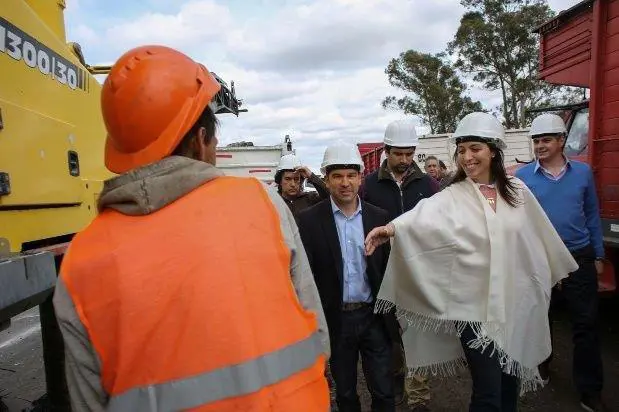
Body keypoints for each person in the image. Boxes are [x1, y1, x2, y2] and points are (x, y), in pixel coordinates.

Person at [52, 45, 330, 411]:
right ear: (201, 139)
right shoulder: (261, 205)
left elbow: (88, 402)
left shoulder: (81, 261)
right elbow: (318, 334)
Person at [365, 112, 578, 412]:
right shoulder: (453, 195)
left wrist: (552, 271)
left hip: (515, 305)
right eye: (462, 150)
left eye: (474, 148)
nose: (467, 157)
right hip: (474, 312)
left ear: (493, 150)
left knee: (509, 385)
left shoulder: (518, 192)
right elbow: (421, 216)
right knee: (488, 391)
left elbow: (538, 236)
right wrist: (389, 229)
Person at [516, 113, 607, 412]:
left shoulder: (582, 174)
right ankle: (542, 361)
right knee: (540, 316)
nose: (539, 146)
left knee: (585, 324)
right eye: (536, 141)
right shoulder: (522, 178)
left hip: (578, 257)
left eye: (545, 140)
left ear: (561, 141)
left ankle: (589, 390)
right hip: (539, 259)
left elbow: (592, 215)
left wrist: (598, 255)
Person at [297, 142, 397, 412]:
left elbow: (390, 269)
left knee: (384, 391)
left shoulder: (379, 218)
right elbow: (306, 275)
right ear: (326, 180)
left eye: (351, 175)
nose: (345, 183)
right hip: (337, 321)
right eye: (337, 176)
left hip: (374, 317)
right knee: (345, 393)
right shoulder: (309, 221)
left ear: (360, 177)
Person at [362, 119, 437, 409]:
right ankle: (394, 383)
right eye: (398, 154)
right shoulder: (369, 186)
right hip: (384, 275)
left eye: (409, 154)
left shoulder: (428, 184)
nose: (405, 160)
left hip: (419, 274)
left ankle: (418, 398)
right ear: (386, 150)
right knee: (390, 336)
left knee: (419, 336)